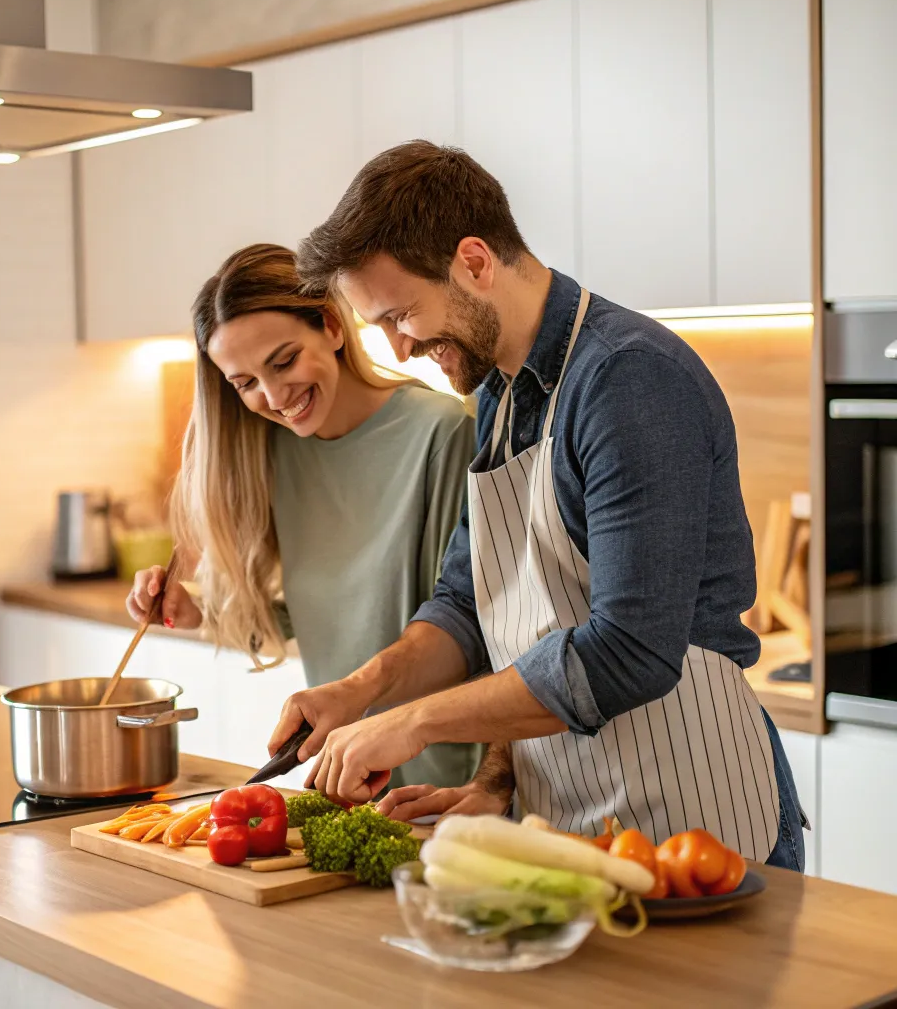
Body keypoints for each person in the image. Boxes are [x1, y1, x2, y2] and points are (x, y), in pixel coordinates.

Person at [267, 142, 806, 870]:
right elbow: (471, 607)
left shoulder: (627, 380)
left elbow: (630, 651)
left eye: (402, 315)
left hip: (694, 813)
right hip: (565, 819)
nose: (399, 347)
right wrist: (363, 695)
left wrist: (414, 722)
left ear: (475, 262)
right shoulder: (500, 394)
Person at [127, 242, 480, 791]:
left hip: (439, 783)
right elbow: (324, 612)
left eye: (284, 360)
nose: (273, 396)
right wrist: (196, 611)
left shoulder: (441, 433)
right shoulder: (272, 452)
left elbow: (462, 624)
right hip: (343, 776)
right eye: (245, 383)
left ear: (332, 327)